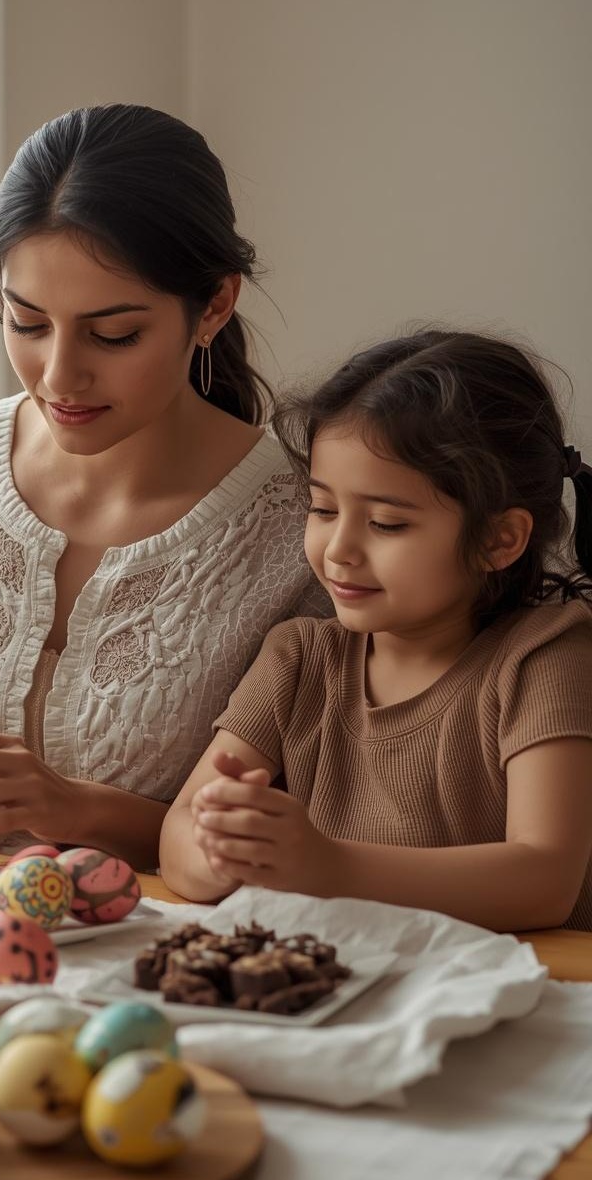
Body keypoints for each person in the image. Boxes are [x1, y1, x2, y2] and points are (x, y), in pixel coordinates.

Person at [0, 103, 327, 868]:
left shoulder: (305, 526)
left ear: (214, 305)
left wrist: (74, 808)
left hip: (172, 956)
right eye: (27, 322)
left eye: (113, 334)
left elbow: (300, 833)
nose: (60, 375)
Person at [160, 330, 592, 931]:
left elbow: (545, 880)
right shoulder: (301, 658)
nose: (339, 549)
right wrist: (224, 851)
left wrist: (329, 868)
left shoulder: (544, 655)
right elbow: (177, 836)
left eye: (387, 523)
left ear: (498, 539)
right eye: (324, 509)